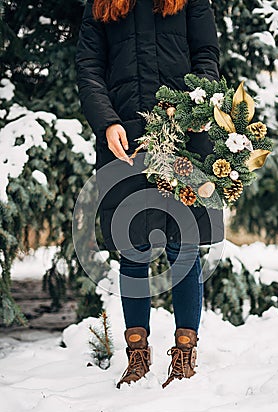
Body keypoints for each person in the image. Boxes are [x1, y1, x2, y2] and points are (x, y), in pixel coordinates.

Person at [75, 0, 224, 389]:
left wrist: (194, 108)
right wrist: (107, 123)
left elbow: (206, 54)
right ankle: (137, 355)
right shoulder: (102, 5)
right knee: (132, 247)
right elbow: (89, 68)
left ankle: (185, 352)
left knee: (184, 244)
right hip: (123, 141)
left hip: (184, 137)